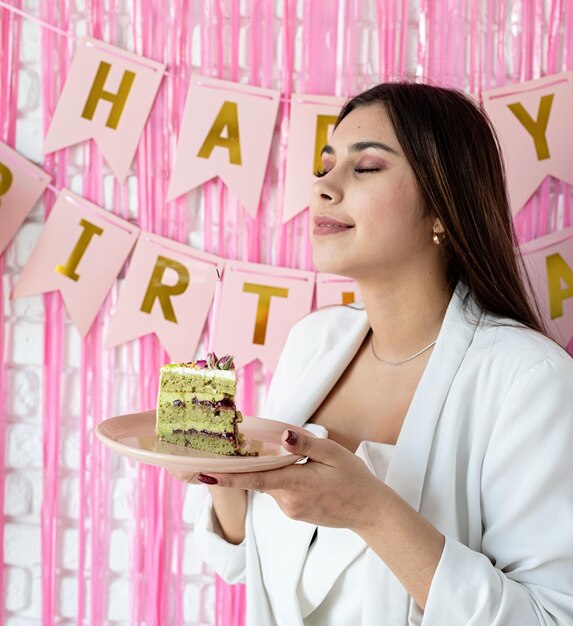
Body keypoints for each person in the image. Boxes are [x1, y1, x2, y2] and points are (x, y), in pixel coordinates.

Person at [176, 82, 573, 625]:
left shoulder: (530, 380)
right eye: (324, 165)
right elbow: (254, 566)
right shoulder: (312, 342)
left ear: (442, 208)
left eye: (365, 168)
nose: (323, 188)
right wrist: (222, 477)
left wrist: (371, 512)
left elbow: (550, 617)